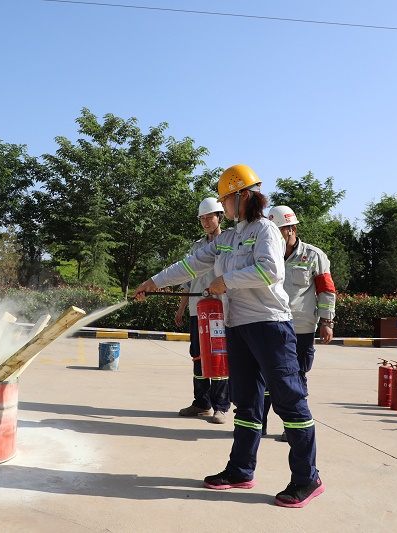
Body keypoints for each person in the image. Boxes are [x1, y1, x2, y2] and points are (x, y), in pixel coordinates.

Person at [133, 164, 323, 508]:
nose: (223, 205)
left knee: (288, 400)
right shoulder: (228, 238)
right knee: (247, 401)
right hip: (237, 327)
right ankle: (240, 470)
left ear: (243, 195)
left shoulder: (266, 230)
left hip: (270, 326)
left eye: (226, 198)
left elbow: (269, 270)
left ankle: (307, 477)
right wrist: (153, 282)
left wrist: (226, 281)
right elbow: (191, 265)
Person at [263, 205, 336, 441]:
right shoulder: (264, 254)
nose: (275, 236)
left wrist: (327, 321)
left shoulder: (314, 256)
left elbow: (326, 290)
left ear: (292, 229)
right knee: (263, 377)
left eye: (280, 230)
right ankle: (258, 425)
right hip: (269, 324)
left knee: (296, 377)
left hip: (301, 329)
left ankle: (293, 427)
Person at [174, 198, 231, 424]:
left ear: (220, 217)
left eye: (210, 217)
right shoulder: (196, 247)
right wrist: (180, 310)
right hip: (196, 311)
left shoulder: (229, 243)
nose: (206, 222)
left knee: (218, 358)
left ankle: (221, 406)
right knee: (197, 357)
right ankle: (201, 403)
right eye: (203, 219)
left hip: (220, 312)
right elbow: (187, 281)